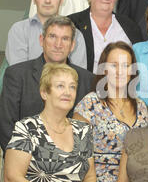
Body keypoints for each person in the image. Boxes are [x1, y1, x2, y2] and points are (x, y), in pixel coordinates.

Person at [0, 63, 96, 182]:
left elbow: (90, 176)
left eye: (72, 87)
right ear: (44, 93)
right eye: (60, 86)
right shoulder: (27, 128)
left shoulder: (83, 130)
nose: (67, 92)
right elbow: (13, 179)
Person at [73, 42, 148, 182]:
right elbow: (76, 154)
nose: (120, 71)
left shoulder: (141, 106)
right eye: (114, 65)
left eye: (126, 65)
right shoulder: (89, 103)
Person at [0, 16, 94, 152]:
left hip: (72, 165)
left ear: (72, 45)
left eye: (65, 39)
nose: (58, 44)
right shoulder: (17, 75)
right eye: (52, 37)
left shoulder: (87, 80)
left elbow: (88, 130)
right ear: (41, 40)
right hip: (24, 164)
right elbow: (6, 126)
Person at [5, 0, 87, 68]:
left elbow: (77, 75)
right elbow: (19, 72)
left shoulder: (76, 35)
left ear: (61, 0)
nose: (47, 0)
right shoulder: (19, 30)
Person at [69, 0, 143, 74]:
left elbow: (139, 63)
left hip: (121, 86)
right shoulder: (73, 23)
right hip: (84, 86)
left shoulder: (130, 26)